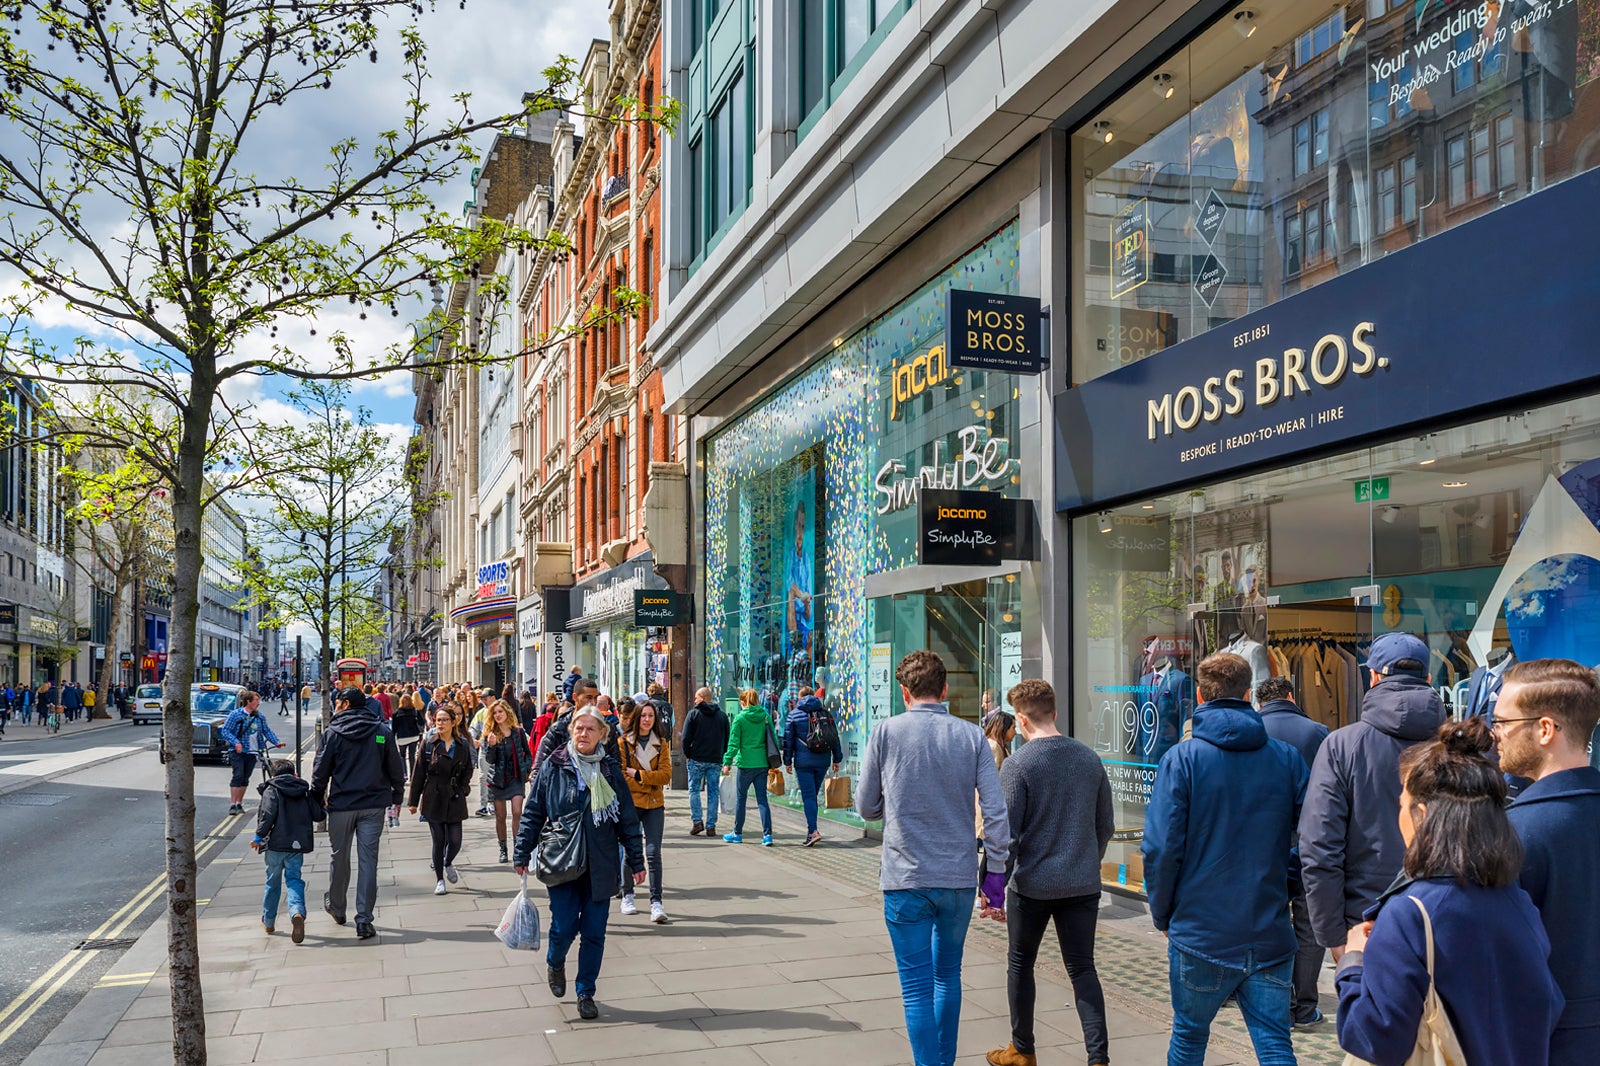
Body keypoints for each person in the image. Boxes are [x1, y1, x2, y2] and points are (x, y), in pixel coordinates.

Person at [1335, 718, 1562, 1064]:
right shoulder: (1517, 902)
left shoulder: (1409, 912)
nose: (1400, 816)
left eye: (1401, 805)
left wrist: (1353, 963)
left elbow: (1373, 1037)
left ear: (1422, 816)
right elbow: (1548, 1008)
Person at [1142, 652, 1308, 1066]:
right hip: (1267, 927)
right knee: (1274, 1043)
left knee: (1188, 1037)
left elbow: (1160, 847)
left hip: (1201, 931)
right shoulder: (1285, 758)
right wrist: (1285, 883)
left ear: (1198, 695)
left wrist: (1163, 913)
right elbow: (1314, 839)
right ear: (1249, 694)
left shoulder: (1181, 760)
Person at [857, 650, 1010, 1066]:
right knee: (948, 977)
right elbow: (995, 813)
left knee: (916, 987)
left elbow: (865, 806)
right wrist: (994, 880)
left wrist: (896, 806)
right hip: (958, 879)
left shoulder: (885, 733)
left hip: (905, 878)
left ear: (903, 692)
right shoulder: (972, 736)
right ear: (944, 690)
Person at [985, 680, 1113, 1066]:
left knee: (1021, 965)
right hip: (1082, 884)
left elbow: (1005, 836)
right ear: (1055, 713)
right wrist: (1085, 860)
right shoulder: (1089, 758)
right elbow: (1104, 826)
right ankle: (1099, 1059)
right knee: (1083, 968)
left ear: (1021, 720)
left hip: (1032, 886)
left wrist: (993, 889)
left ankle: (1022, 1050)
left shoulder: (1018, 764)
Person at [1299, 632, 1446, 961]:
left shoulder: (1342, 745)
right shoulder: (1455, 745)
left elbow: (1320, 847)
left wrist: (1333, 936)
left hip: (1365, 925)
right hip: (1445, 916)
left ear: (1374, 677)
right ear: (1427, 678)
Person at [513, 704, 646, 1021]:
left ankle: (586, 992)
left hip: (601, 862)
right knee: (563, 927)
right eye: (578, 728)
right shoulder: (553, 766)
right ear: (571, 730)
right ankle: (555, 960)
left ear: (602, 734)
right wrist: (522, 852)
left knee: (595, 932)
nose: (583, 733)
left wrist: (637, 861)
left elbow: (627, 819)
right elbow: (533, 813)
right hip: (562, 860)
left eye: (590, 729)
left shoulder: (610, 770)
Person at [1498, 659, 1600, 1064]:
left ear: (1544, 729)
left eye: (1503, 721)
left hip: (1544, 1044)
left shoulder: (1513, 833)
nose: (1496, 734)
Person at [1255, 675, 1332, 1028]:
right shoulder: (1316, 731)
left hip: (1264, 844)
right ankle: (1304, 1005)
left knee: (1270, 922)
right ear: (1291, 695)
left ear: (1260, 701)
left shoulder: (1251, 729)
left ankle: (1276, 1001)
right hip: (1308, 840)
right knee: (1308, 923)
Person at [310, 687, 405, 939]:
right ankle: (364, 919)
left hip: (341, 806)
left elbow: (320, 771)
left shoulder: (332, 734)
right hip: (373, 806)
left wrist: (316, 798)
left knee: (338, 858)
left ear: (344, 704)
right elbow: (396, 768)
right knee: (368, 861)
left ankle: (337, 907)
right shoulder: (381, 732)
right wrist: (397, 798)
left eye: (337, 702)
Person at [251, 758, 325, 943]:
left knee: (272, 882)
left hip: (275, 845)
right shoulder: (303, 791)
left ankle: (268, 921)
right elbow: (318, 815)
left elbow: (267, 815)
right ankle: (297, 912)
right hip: (296, 846)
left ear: (273, 774)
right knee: (294, 880)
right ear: (294, 774)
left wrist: (258, 837)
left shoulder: (271, 789)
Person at [407, 704, 474, 894]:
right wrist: (412, 801)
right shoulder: (428, 744)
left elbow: (468, 768)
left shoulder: (461, 744)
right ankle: (439, 880)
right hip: (433, 795)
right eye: (438, 720)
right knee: (439, 839)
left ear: (454, 722)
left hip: (454, 795)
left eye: (445, 720)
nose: (441, 723)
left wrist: (463, 787)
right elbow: (418, 773)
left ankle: (448, 862)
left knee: (455, 840)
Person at [619, 699, 671, 923]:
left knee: (653, 853)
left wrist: (639, 774)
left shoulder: (661, 743)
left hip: (654, 804)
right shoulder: (624, 743)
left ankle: (656, 902)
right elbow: (621, 776)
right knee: (631, 850)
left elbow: (666, 776)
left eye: (651, 716)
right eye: (644, 716)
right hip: (631, 804)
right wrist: (649, 779)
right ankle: (627, 894)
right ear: (636, 718)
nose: (647, 720)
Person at [782, 692, 842, 847]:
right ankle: (812, 829)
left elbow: (788, 740)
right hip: (823, 761)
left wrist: (787, 761)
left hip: (803, 763)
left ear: (800, 699)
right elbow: (834, 737)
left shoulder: (794, 715)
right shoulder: (825, 713)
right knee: (813, 795)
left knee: (809, 796)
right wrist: (837, 759)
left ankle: (813, 831)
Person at [720, 688, 775, 846]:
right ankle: (768, 835)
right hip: (762, 763)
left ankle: (737, 833)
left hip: (745, 764)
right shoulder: (765, 716)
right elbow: (772, 739)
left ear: (743, 702)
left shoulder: (740, 718)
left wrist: (727, 762)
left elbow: (733, 743)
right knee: (762, 800)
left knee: (741, 799)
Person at [482, 699, 532, 864]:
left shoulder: (517, 732)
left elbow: (528, 752)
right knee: (501, 816)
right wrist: (492, 745)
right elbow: (490, 759)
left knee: (517, 811)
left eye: (500, 712)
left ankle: (518, 848)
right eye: (495, 713)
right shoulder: (491, 734)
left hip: (516, 778)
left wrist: (526, 768)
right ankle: (503, 849)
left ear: (507, 713)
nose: (497, 715)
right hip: (498, 779)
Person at [219, 690, 285, 814]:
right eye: (256, 700)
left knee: (245, 778)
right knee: (238, 775)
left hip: (253, 751)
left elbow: (267, 731)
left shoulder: (259, 717)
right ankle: (233, 804)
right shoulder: (235, 715)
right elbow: (225, 731)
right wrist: (236, 742)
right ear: (248, 701)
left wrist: (276, 742)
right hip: (238, 751)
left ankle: (239, 803)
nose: (258, 703)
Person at [681, 687, 729, 837]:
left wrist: (688, 754)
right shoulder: (722, 716)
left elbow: (685, 737)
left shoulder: (694, 714)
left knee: (694, 790)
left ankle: (697, 822)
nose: (695, 701)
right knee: (713, 792)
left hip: (697, 758)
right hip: (715, 759)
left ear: (702, 697)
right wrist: (722, 754)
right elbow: (726, 737)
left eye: (696, 698)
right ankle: (711, 826)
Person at [390, 692, 423, 786]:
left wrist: (392, 737)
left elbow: (394, 727)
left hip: (402, 737)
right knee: (412, 755)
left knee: (402, 756)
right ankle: (412, 775)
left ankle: (404, 774)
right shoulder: (415, 711)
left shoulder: (397, 713)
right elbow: (421, 722)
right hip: (414, 735)